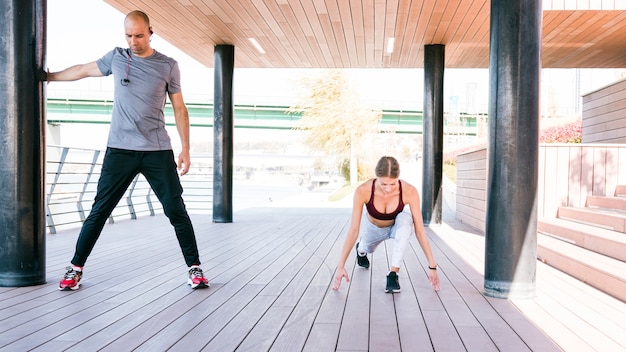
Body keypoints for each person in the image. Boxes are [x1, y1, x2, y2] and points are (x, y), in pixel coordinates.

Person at [47, 10, 209, 290]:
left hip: (157, 150)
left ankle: (194, 268)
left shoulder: (168, 65)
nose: (133, 41)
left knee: (175, 210)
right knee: (100, 210)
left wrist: (186, 150)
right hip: (119, 151)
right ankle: (75, 268)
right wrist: (48, 77)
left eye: (139, 35)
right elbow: (83, 70)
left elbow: (180, 109)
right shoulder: (117, 58)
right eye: (129, 36)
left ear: (150, 32)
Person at [333, 156, 440, 293]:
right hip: (374, 229)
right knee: (366, 247)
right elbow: (354, 230)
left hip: (396, 227)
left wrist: (432, 266)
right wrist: (340, 266)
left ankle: (393, 274)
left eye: (393, 184)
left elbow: (420, 230)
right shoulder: (363, 191)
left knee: (405, 219)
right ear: (376, 177)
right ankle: (361, 250)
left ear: (398, 178)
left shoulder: (409, 191)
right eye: (383, 184)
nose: (388, 189)